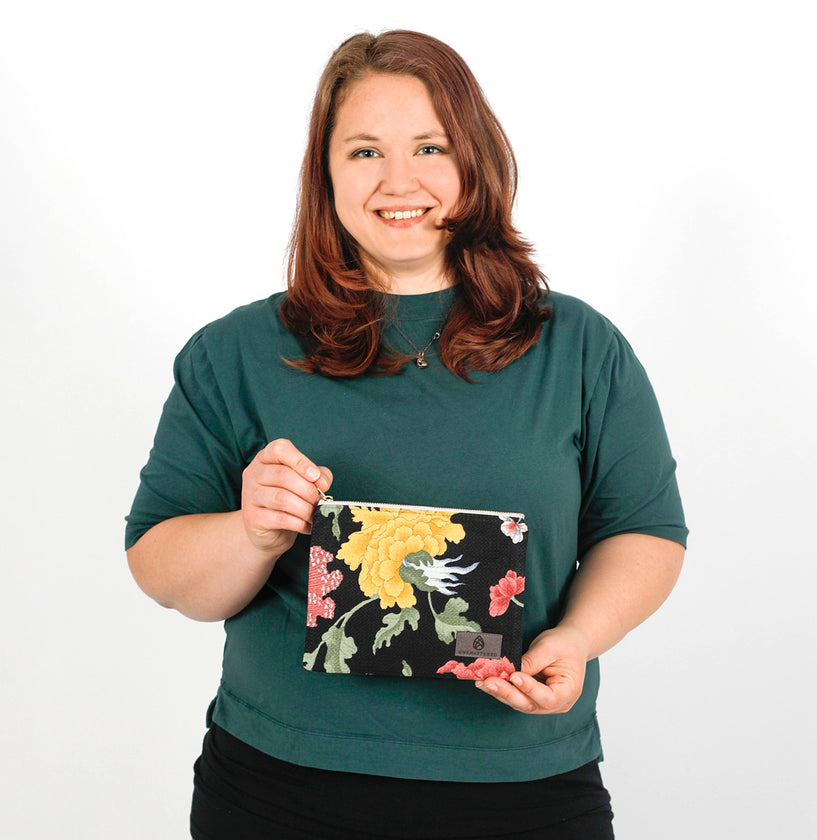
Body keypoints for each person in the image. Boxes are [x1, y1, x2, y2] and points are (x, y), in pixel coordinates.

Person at [126, 29, 687, 840]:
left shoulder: (581, 349)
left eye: (430, 145)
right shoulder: (234, 354)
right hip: (280, 790)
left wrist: (577, 636)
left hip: (522, 786)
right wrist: (251, 531)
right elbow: (160, 566)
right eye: (363, 151)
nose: (400, 181)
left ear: (475, 161)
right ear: (326, 171)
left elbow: (646, 531)